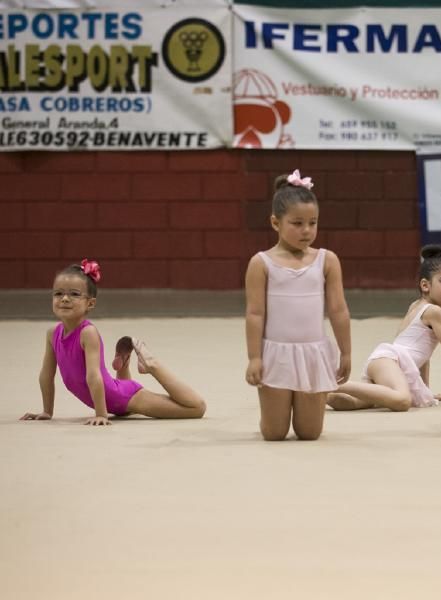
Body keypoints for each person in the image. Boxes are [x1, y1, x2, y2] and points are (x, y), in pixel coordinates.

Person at [21, 260, 207, 425]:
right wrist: (47, 411)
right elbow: (46, 374)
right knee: (122, 398)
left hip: (124, 398)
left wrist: (101, 414)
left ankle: (152, 366)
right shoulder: (52, 333)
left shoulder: (88, 333)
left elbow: (93, 376)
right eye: (58, 293)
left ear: (90, 304)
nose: (65, 298)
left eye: (75, 294)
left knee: (196, 408)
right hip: (114, 399)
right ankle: (123, 366)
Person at [244, 169, 351, 441]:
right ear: (275, 222)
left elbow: (338, 310)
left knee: (309, 433)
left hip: (313, 353)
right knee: (274, 433)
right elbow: (255, 314)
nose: (306, 231)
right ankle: (270, 413)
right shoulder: (261, 263)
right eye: (297, 223)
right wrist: (255, 357)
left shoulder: (327, 260)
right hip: (275, 354)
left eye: (312, 223)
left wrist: (346, 352)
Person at [327, 245, 441, 412]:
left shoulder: (417, 305)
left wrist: (424, 392)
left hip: (390, 365)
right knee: (402, 401)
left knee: (359, 402)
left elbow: (422, 357)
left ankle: (325, 395)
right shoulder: (435, 312)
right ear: (425, 285)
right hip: (390, 362)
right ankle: (333, 383)